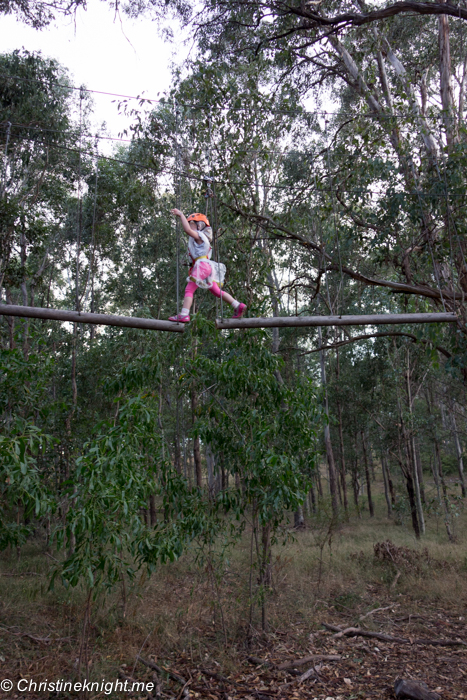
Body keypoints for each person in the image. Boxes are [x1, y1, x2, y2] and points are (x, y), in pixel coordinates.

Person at [169, 209, 246, 323]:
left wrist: (181, 215)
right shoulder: (203, 239)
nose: (190, 227)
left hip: (203, 266)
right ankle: (237, 305)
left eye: (192, 224)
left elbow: (187, 230)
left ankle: (184, 314)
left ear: (199, 226)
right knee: (216, 290)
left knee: (189, 289)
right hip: (207, 267)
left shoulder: (199, 235)